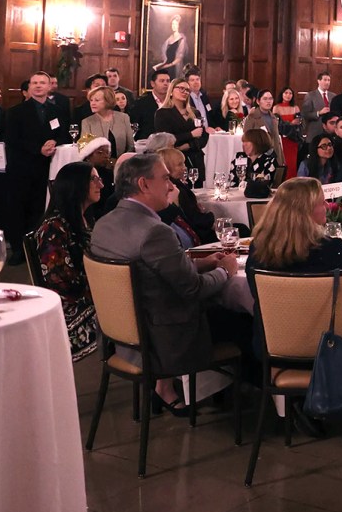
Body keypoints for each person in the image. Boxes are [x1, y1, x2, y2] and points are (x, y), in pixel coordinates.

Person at [89, 152, 240, 417]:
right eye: (166, 179)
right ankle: (263, 404)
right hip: (164, 340)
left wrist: (202, 263)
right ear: (144, 184)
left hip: (122, 337)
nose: (171, 187)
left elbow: (149, 272)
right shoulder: (155, 231)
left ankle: (167, 389)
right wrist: (226, 271)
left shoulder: (104, 223)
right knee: (244, 320)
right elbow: (194, 289)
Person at [246, 176, 342, 335]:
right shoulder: (334, 249)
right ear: (305, 211)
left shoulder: (258, 248)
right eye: (322, 202)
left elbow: (255, 295)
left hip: (274, 338)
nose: (327, 205)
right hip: (331, 340)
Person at [33, 161, 102, 360]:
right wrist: (103, 287)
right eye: (94, 179)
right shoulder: (52, 229)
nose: (101, 184)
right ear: (76, 185)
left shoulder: (85, 219)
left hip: (91, 294)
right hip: (71, 307)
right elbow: (61, 280)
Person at [3, 71, 71, 261]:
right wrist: (38, 149)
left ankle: (37, 248)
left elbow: (64, 134)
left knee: (40, 208)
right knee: (19, 208)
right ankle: (18, 250)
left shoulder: (57, 111)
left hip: (47, 167)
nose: (38, 86)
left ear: (49, 87)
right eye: (34, 83)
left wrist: (54, 142)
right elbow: (12, 140)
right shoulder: (16, 111)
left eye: (42, 82)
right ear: (29, 87)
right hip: (22, 167)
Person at [155, 78, 207, 181]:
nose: (185, 92)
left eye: (187, 90)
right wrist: (190, 135)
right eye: (181, 88)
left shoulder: (195, 112)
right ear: (171, 91)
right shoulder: (162, 113)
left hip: (195, 160)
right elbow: (165, 139)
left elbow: (204, 136)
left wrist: (188, 145)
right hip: (174, 162)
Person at [80, 84, 134, 159]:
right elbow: (83, 149)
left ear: (108, 101)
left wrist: (122, 161)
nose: (92, 103)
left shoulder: (124, 118)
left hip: (122, 163)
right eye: (91, 100)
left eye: (97, 100)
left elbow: (131, 146)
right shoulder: (87, 122)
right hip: (97, 164)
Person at [242, 89, 284, 163]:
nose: (268, 101)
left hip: (274, 156)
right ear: (258, 101)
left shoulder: (274, 117)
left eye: (270, 99)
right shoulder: (252, 117)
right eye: (265, 99)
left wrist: (281, 159)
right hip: (258, 156)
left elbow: (277, 140)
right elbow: (246, 138)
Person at [130, 71, 172, 140]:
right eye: (162, 81)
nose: (165, 84)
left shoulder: (173, 102)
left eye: (168, 81)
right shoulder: (141, 103)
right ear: (153, 84)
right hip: (147, 142)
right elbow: (135, 126)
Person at [151, 13, 189, 82]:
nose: (174, 26)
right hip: (167, 65)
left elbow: (179, 59)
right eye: (172, 24)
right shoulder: (169, 39)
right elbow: (164, 55)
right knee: (152, 72)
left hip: (174, 67)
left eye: (176, 24)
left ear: (179, 26)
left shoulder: (181, 39)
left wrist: (168, 66)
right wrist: (163, 65)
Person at [301, 71, 334, 142]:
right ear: (319, 81)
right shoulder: (310, 96)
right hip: (315, 132)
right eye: (325, 80)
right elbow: (305, 114)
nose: (327, 82)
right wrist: (318, 113)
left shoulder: (333, 96)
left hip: (330, 133)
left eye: (329, 80)